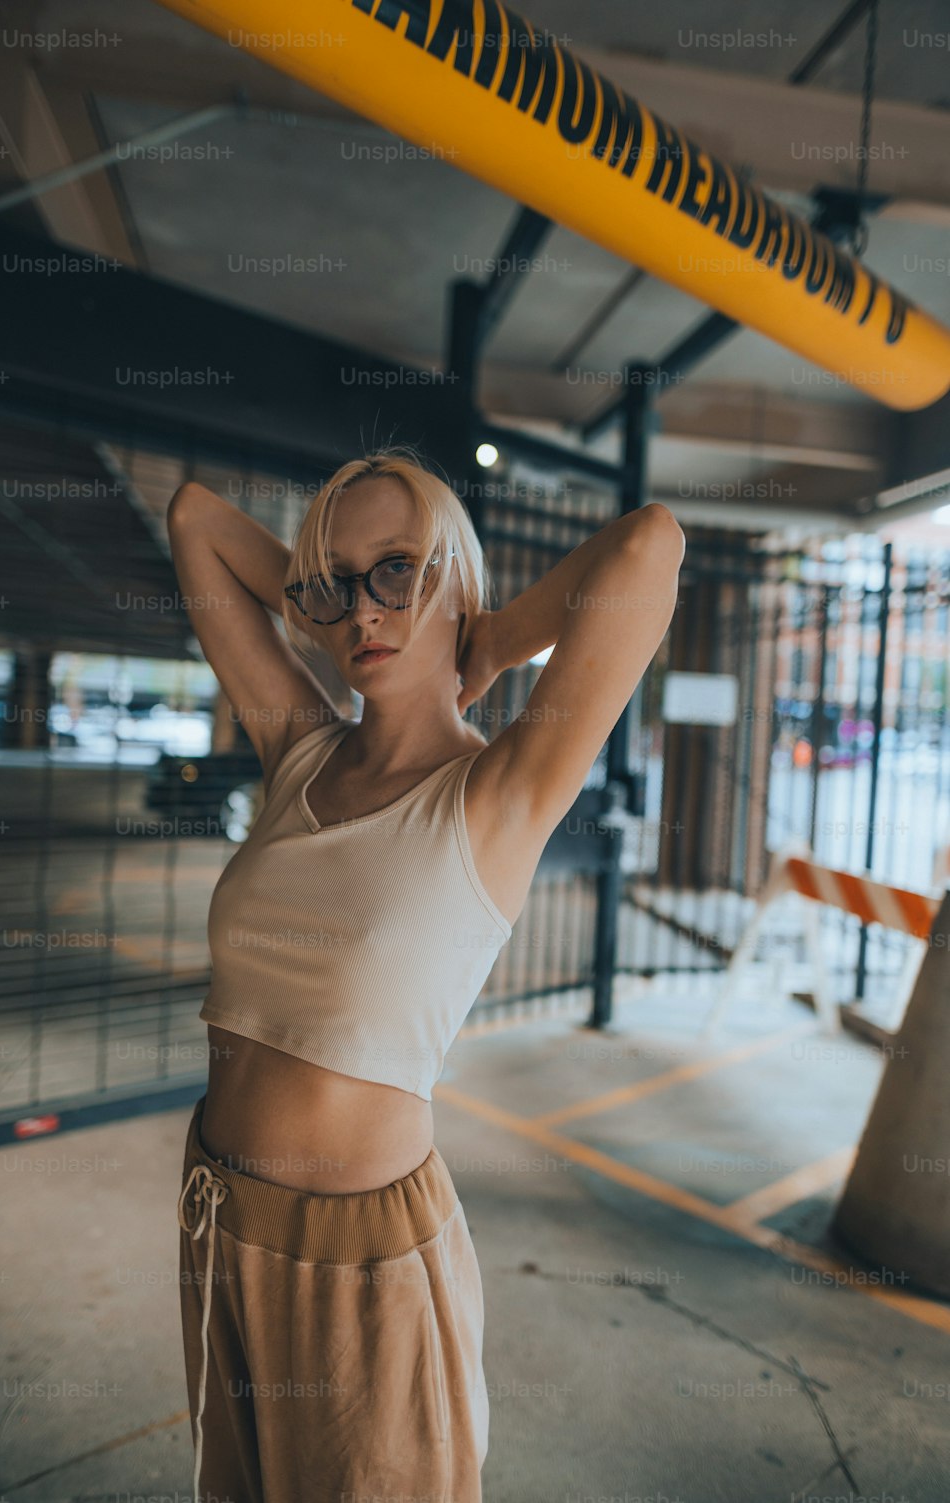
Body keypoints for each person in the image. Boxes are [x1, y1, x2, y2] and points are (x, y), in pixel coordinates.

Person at [167, 445, 685, 1502]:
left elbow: (649, 545)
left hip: (361, 1257)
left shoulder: (497, 795)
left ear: (459, 571)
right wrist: (343, 597)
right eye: (336, 580)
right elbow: (194, 520)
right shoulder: (300, 753)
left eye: (398, 567)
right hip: (217, 1214)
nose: (366, 608)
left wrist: (492, 634)